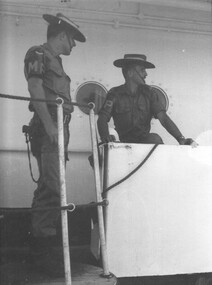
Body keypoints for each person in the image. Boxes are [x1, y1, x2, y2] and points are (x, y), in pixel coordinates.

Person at [24, 13, 86, 277]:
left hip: (60, 126)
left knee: (49, 186)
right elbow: (36, 90)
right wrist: (51, 128)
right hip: (48, 124)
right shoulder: (38, 53)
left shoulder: (55, 60)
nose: (73, 45)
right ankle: (44, 254)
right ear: (61, 35)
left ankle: (42, 250)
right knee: (52, 186)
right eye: (72, 39)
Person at [97, 54, 197, 146]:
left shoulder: (149, 93)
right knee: (103, 150)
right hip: (122, 142)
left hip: (143, 142)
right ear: (130, 73)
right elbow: (102, 118)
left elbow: (163, 118)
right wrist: (105, 136)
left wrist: (180, 138)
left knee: (154, 138)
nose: (146, 74)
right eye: (142, 70)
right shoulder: (115, 94)